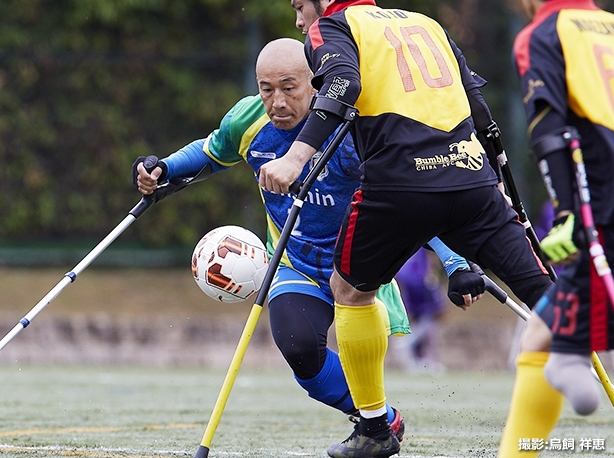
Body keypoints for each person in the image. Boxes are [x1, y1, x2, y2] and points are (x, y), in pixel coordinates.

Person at [133, 37, 479, 445]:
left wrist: (458, 264)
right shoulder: (248, 121)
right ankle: (380, 419)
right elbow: (211, 152)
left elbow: (413, 201)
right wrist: (163, 168)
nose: (276, 101)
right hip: (294, 261)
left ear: (316, 83)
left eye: (288, 87)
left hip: (359, 266)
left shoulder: (353, 131)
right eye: (266, 89)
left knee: (363, 343)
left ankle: (373, 414)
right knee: (298, 346)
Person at [259, 0, 554, 457]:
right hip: (471, 178)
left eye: (299, 7)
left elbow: (341, 84)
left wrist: (296, 159)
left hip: (398, 186)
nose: (299, 21)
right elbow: (477, 105)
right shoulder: (427, 23)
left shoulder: (333, 26)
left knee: (351, 290)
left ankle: (374, 431)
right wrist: (497, 178)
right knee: (549, 295)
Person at [499, 0, 614, 455]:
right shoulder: (609, 25)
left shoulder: (541, 33)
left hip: (603, 201)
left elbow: (549, 131)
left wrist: (567, 212)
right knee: (542, 334)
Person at [393, 247, 447, 373]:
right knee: (434, 313)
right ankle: (413, 346)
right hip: (421, 279)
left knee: (419, 316)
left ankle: (419, 359)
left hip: (406, 278)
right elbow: (432, 255)